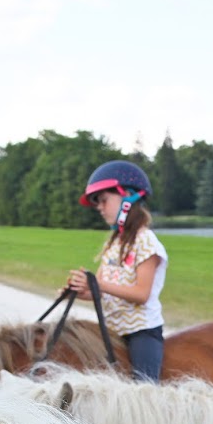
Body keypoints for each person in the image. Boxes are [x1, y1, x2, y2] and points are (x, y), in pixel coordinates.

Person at [65, 160, 168, 381]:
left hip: (140, 332)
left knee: (144, 389)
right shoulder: (114, 244)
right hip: (112, 330)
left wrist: (98, 284)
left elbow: (142, 294)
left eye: (104, 201)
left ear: (128, 198)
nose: (100, 208)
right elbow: (100, 291)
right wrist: (79, 290)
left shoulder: (146, 242)